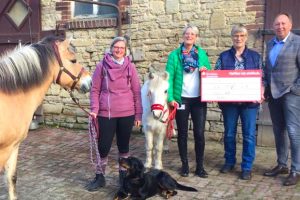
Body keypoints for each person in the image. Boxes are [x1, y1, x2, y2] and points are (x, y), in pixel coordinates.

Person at [86, 36, 142, 191]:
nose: (119, 50)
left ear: (126, 50)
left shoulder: (131, 67)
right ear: (111, 48)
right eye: (116, 47)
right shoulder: (101, 66)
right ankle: (99, 177)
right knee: (103, 147)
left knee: (124, 147)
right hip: (106, 113)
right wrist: (95, 109)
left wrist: (138, 115)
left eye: (122, 48)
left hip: (127, 113)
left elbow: (136, 91)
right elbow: (95, 90)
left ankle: (123, 177)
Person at [215, 24, 263, 180]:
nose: (238, 38)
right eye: (236, 35)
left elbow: (263, 78)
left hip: (249, 104)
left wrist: (261, 90)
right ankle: (229, 161)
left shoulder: (255, 57)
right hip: (230, 104)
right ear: (232, 37)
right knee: (229, 134)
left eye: (242, 35)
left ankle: (247, 167)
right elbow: (215, 77)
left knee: (249, 135)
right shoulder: (223, 56)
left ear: (246, 37)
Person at [166, 25, 211, 178]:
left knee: (199, 133)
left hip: (198, 99)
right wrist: (171, 98)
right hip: (181, 99)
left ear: (196, 37)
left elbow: (210, 73)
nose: (189, 36)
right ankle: (184, 165)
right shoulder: (174, 55)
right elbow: (169, 78)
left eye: (192, 34)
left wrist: (205, 70)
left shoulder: (202, 54)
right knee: (183, 133)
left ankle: (200, 166)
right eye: (187, 33)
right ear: (183, 36)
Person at [263, 13, 300, 186]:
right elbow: (267, 68)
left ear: (290, 25)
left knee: (293, 131)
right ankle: (282, 164)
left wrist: (295, 89)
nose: (280, 27)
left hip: (290, 94)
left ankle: (296, 169)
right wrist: (264, 86)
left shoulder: (298, 43)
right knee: (278, 131)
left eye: (283, 23)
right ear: (273, 26)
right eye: (277, 24)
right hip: (273, 94)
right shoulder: (270, 43)